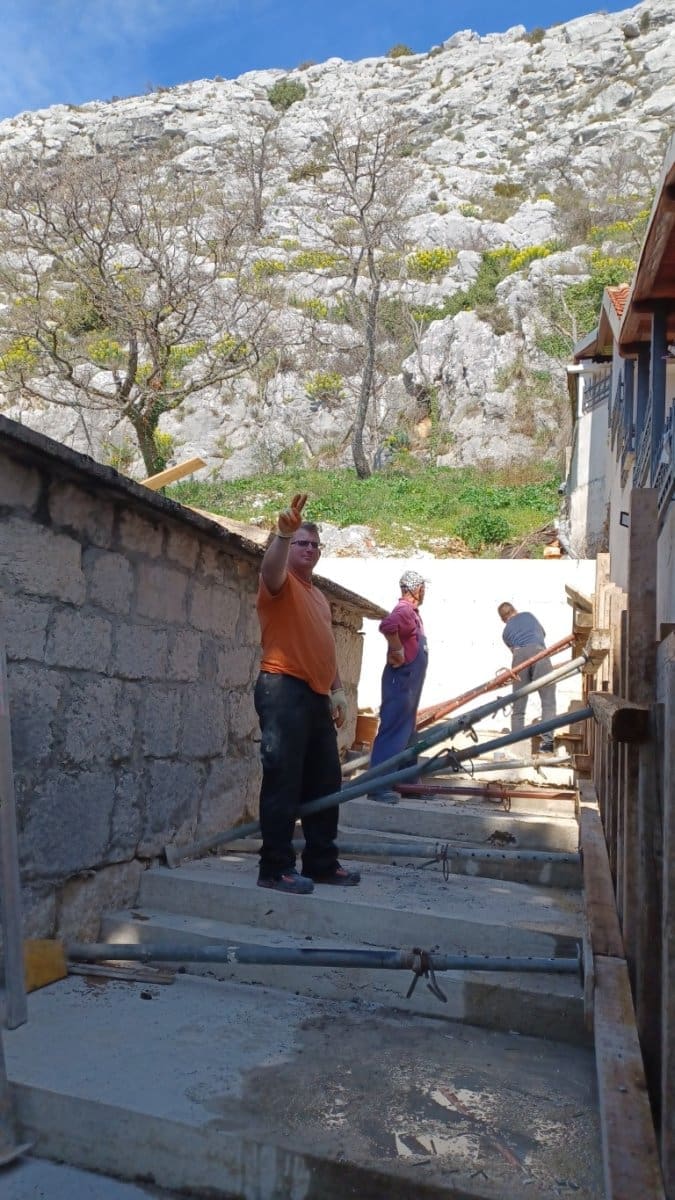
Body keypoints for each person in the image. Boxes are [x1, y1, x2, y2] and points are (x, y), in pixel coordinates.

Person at [254, 492, 360, 893]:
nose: (310, 549)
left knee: (326, 782)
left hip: (316, 695)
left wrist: (337, 691)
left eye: (315, 545)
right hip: (283, 688)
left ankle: (321, 862)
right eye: (303, 543)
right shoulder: (280, 584)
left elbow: (324, 648)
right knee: (283, 780)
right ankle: (274, 868)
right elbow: (269, 570)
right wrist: (282, 536)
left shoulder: (318, 597)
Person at [368, 570, 429, 804]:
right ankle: (378, 786)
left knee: (408, 733)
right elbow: (388, 625)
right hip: (401, 682)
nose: (424, 592)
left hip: (409, 685)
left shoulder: (413, 614)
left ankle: (407, 783)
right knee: (393, 730)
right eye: (423, 588)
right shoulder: (404, 610)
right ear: (416, 589)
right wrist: (396, 649)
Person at [497, 602, 555, 753]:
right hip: (539, 653)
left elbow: (513, 650)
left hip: (519, 658)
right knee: (548, 702)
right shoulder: (528, 615)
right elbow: (543, 634)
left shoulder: (505, 633)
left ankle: (517, 746)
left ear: (503, 619)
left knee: (518, 705)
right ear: (515, 610)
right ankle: (547, 744)